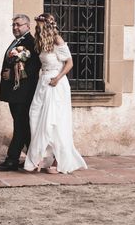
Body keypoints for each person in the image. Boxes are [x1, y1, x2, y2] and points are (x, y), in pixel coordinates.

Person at [23, 13, 87, 174]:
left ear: (47, 25)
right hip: (43, 83)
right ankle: (40, 155)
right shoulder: (41, 41)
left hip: (56, 84)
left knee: (55, 120)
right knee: (36, 116)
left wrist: (58, 78)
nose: (37, 27)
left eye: (39, 24)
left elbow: (69, 62)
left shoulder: (57, 39)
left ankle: (60, 159)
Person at [0, 14, 41, 171]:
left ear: (28, 26)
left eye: (19, 25)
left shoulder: (31, 43)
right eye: (13, 25)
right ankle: (35, 159)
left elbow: (33, 68)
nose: (15, 27)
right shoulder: (18, 41)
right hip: (15, 92)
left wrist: (12, 75)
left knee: (20, 126)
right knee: (24, 127)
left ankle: (12, 159)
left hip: (23, 92)